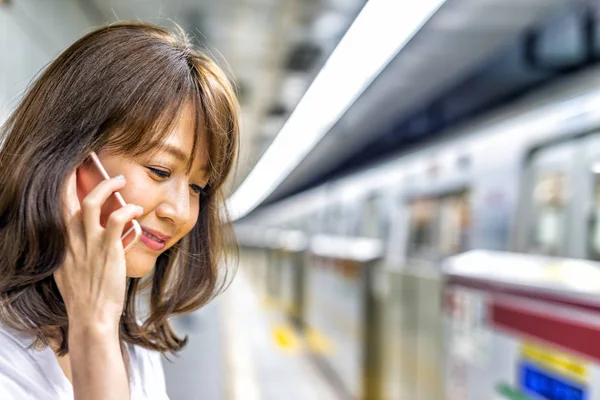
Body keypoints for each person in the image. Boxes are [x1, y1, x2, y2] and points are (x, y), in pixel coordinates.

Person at [0, 21, 240, 399]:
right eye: (160, 170)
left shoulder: (134, 343)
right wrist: (92, 329)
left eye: (197, 187)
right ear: (68, 158)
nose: (179, 212)